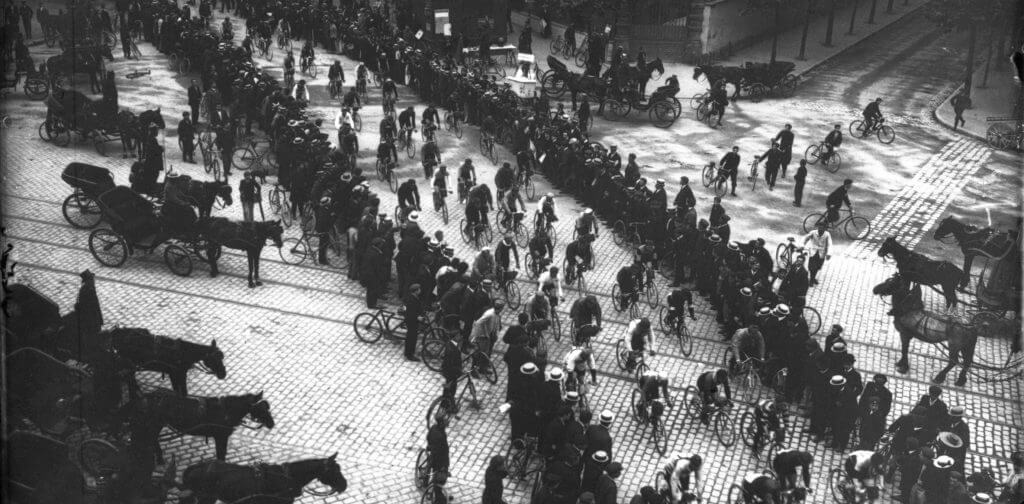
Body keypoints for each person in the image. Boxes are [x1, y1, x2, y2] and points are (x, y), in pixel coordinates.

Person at [802, 222, 832, 286]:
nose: (820, 229)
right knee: (811, 267)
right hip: (813, 252)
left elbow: (830, 244)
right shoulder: (813, 232)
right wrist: (802, 245)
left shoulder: (827, 234)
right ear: (817, 227)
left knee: (818, 267)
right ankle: (812, 280)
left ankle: (812, 278)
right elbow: (805, 238)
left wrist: (829, 253)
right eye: (819, 228)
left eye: (822, 228)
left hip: (822, 253)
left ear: (825, 229)